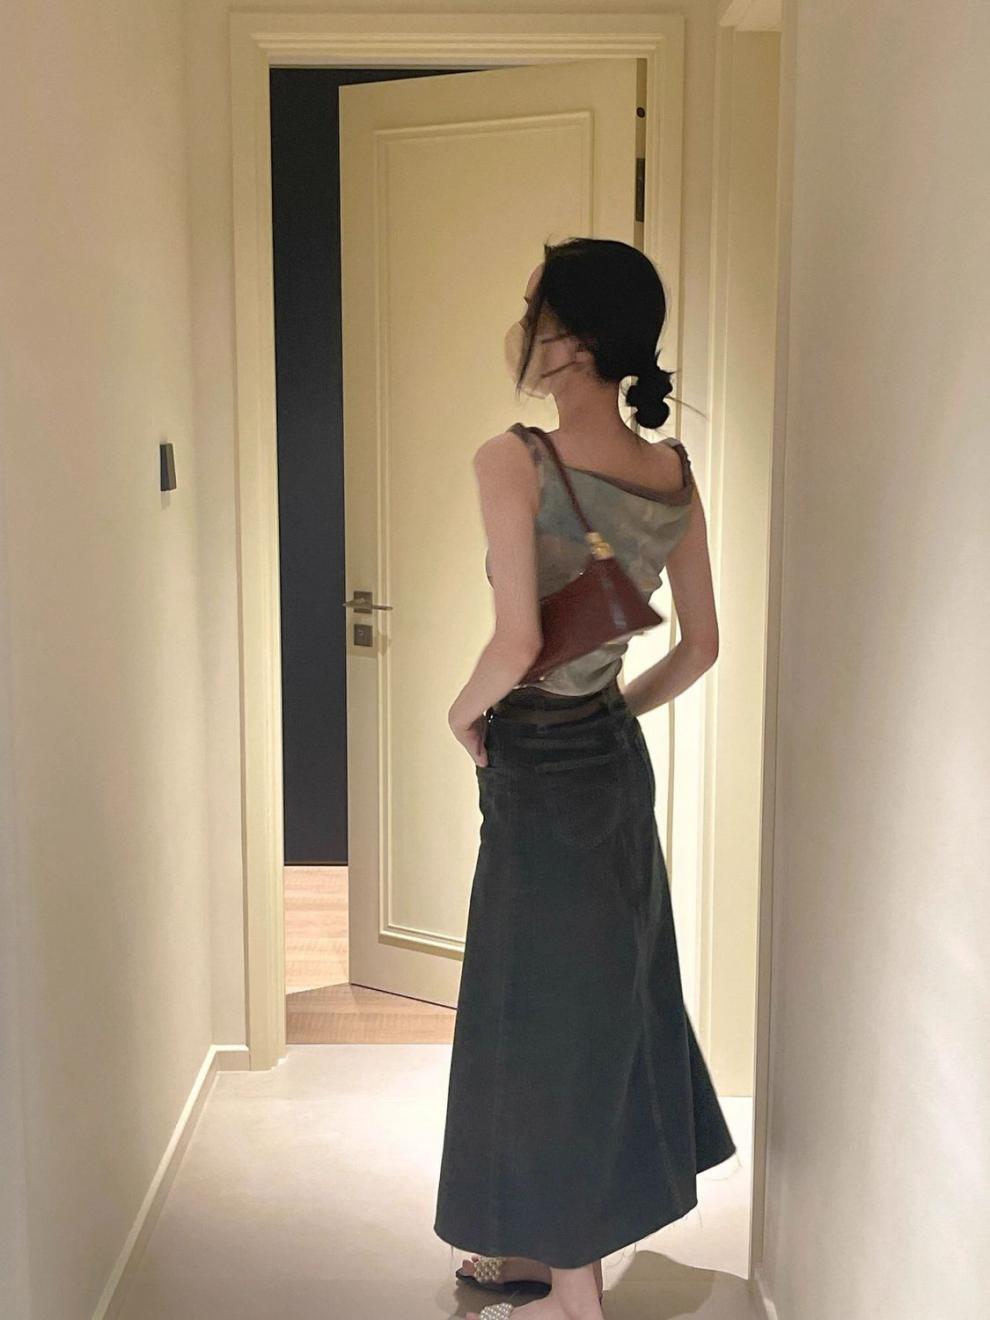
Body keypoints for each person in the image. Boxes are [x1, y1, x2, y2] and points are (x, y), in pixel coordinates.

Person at [433, 238, 737, 1320]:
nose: (523, 329)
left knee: (539, 1018)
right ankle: (537, 1254)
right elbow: (701, 646)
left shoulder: (512, 460)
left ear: (576, 341)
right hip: (611, 766)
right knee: (600, 1005)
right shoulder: (673, 474)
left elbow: (516, 642)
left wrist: (461, 714)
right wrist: (615, 712)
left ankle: (573, 1298)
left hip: (537, 772)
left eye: (536, 312)